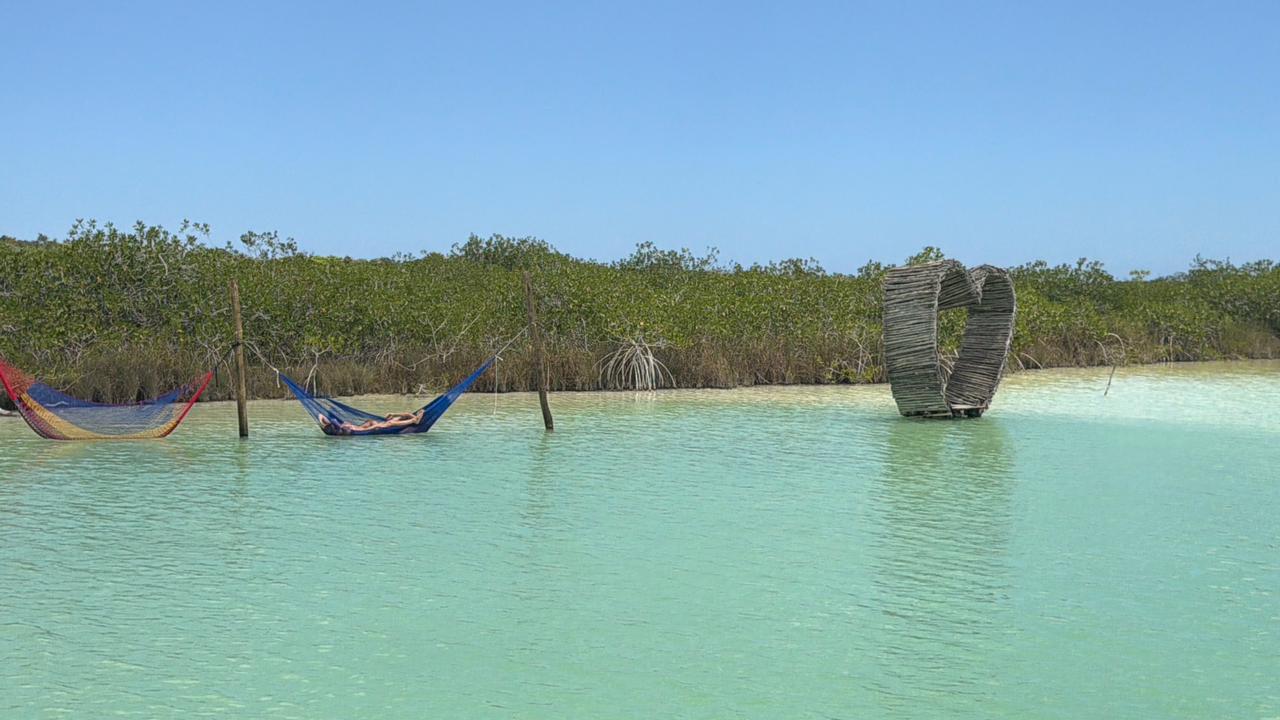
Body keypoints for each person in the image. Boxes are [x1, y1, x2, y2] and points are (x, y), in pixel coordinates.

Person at [318, 409, 424, 434]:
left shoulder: (342, 427)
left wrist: (395, 415)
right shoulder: (344, 430)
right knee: (390, 423)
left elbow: (320, 416)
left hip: (370, 426)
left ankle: (414, 419)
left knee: (393, 420)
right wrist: (373, 427)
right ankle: (414, 420)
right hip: (371, 428)